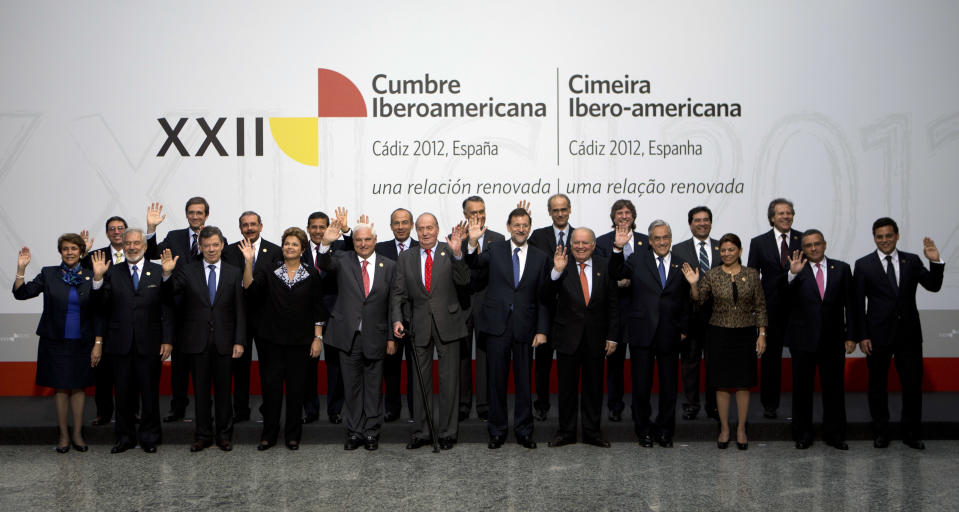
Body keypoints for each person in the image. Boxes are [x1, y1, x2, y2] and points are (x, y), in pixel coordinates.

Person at [853, 217, 944, 450]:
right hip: (876, 336)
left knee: (912, 387)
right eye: (880, 236)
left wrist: (935, 262)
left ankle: (911, 434)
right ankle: (881, 433)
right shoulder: (863, 264)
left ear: (897, 236)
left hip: (909, 336)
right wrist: (862, 335)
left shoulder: (912, 261)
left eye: (888, 235)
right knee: (877, 387)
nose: (884, 240)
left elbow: (933, 286)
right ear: (874, 238)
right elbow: (856, 304)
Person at [466, 207, 550, 449]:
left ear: (530, 228)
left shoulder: (540, 257)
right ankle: (497, 430)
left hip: (526, 328)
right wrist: (471, 243)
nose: (521, 229)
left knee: (524, 384)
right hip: (497, 327)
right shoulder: (495, 249)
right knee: (496, 382)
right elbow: (475, 263)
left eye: (525, 225)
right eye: (516, 225)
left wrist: (542, 330)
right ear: (508, 227)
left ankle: (524, 431)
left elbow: (543, 297)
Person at [160, 226, 246, 452]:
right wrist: (167, 275)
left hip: (225, 342)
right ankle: (203, 435)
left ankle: (224, 436)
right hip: (195, 342)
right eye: (206, 245)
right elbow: (170, 297)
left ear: (222, 245)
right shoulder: (187, 271)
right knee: (200, 393)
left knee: (224, 393)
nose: (211, 249)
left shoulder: (233, 271)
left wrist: (239, 340)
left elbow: (239, 310)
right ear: (199, 247)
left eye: (215, 245)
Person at [241, 227, 326, 450]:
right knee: (271, 390)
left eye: (295, 244)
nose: (290, 247)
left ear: (303, 249)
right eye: (287, 243)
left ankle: (292, 436)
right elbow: (250, 291)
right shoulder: (269, 270)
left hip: (301, 342)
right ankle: (268, 435)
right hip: (271, 342)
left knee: (297, 391)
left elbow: (318, 308)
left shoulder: (311, 273)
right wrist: (249, 263)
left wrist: (318, 338)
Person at [316, 218, 397, 451]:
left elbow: (393, 303)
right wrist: (325, 244)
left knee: (373, 388)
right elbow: (323, 263)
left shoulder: (389, 266)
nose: (363, 244)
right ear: (354, 242)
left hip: (377, 336)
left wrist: (391, 337)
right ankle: (354, 432)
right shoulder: (342, 259)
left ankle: (371, 432)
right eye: (358, 240)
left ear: (375, 241)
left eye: (367, 239)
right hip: (347, 337)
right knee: (351, 388)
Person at [90, 228, 173, 453]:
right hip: (119, 343)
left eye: (137, 243)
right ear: (123, 246)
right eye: (128, 244)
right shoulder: (110, 271)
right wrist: (97, 279)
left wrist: (167, 339)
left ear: (145, 247)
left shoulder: (159, 271)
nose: (133, 247)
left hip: (151, 343)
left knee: (149, 394)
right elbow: (101, 307)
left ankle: (149, 438)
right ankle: (124, 438)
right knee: (123, 394)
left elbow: (167, 307)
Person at [392, 214, 471, 450]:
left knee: (448, 383)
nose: (425, 233)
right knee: (419, 383)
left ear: (437, 229)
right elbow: (398, 293)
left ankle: (447, 433)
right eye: (421, 229)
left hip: (449, 324)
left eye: (430, 228)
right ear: (416, 231)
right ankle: (421, 432)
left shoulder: (451, 250)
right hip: (418, 326)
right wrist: (397, 320)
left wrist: (458, 255)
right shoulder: (406, 257)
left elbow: (464, 281)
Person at [13, 233, 97, 453]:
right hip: (55, 342)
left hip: (82, 342)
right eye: (66, 249)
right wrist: (21, 269)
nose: (70, 252)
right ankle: (63, 437)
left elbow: (99, 311)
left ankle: (78, 435)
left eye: (74, 249)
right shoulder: (49, 274)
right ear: (60, 252)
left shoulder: (90, 276)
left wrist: (98, 342)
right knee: (60, 388)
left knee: (79, 388)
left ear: (81, 252)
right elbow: (22, 294)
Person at [682, 233, 767, 450]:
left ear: (739, 251)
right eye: (723, 250)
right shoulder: (712, 274)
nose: (727, 253)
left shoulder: (752, 274)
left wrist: (762, 334)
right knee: (721, 384)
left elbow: (760, 306)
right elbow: (699, 300)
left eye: (731, 249)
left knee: (742, 384)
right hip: (718, 334)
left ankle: (740, 429)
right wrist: (693, 284)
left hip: (745, 333)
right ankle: (724, 428)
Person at [611, 220, 689, 448]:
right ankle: (643, 429)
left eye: (666, 237)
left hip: (670, 334)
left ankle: (665, 431)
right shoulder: (637, 260)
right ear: (650, 241)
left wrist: (684, 327)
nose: (662, 242)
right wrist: (617, 249)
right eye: (657, 238)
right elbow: (615, 273)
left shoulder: (680, 263)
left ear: (671, 238)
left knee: (668, 388)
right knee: (641, 387)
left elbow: (685, 300)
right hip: (642, 333)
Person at [145, 199, 223, 422]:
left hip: (206, 315)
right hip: (179, 314)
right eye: (191, 213)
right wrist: (151, 229)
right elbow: (151, 254)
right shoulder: (173, 237)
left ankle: (206, 411)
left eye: (199, 213)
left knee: (206, 369)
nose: (195, 216)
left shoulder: (216, 240)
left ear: (207, 215)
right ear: (186, 215)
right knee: (179, 367)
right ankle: (177, 408)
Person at [544, 228, 618, 448]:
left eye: (585, 243)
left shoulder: (605, 266)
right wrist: (556, 272)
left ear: (594, 245)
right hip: (567, 337)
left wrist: (613, 336)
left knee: (594, 389)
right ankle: (566, 432)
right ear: (570, 244)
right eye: (576, 242)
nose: (580, 247)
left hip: (596, 338)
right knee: (566, 389)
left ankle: (592, 432)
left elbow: (613, 304)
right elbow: (545, 296)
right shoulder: (560, 265)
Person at [785, 229, 855, 450]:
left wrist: (851, 335)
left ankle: (834, 434)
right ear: (802, 249)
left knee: (834, 389)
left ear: (824, 245)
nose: (813, 248)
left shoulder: (842, 269)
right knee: (802, 390)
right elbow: (782, 301)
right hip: (803, 341)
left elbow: (851, 306)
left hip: (833, 341)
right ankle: (803, 434)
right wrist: (792, 275)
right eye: (808, 245)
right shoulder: (796, 269)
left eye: (817, 244)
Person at [222, 211, 282, 423]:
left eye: (253, 224)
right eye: (245, 225)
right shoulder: (229, 251)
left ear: (261, 226)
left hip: (267, 317)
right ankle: (241, 410)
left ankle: (269, 410)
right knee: (239, 367)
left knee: (269, 367)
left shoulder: (275, 251)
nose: (249, 228)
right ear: (240, 228)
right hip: (238, 317)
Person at [594, 199, 649, 422]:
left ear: (634, 217)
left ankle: (639, 408)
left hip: (640, 311)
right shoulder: (601, 242)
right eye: (619, 213)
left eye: (628, 212)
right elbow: (599, 272)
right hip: (613, 311)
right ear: (613, 217)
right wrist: (615, 284)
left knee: (640, 365)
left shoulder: (647, 241)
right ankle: (615, 406)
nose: (624, 216)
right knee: (614, 364)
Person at [747, 198, 801, 419]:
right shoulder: (759, 242)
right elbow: (752, 276)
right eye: (781, 213)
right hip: (770, 310)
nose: (786, 216)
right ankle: (770, 405)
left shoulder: (803, 239)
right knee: (771, 360)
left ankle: (801, 406)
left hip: (799, 309)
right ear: (772, 217)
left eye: (789, 213)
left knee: (801, 360)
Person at [301, 208, 352, 425]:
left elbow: (355, 249)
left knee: (335, 365)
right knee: (306, 365)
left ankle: (335, 410)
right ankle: (310, 410)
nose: (319, 231)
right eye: (314, 227)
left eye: (323, 226)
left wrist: (346, 230)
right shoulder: (298, 250)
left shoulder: (340, 247)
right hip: (304, 315)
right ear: (308, 229)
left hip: (334, 314)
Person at [671, 206, 721, 421]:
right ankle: (691, 405)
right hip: (690, 317)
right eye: (697, 220)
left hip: (718, 317)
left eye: (706, 220)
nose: (702, 223)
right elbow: (676, 288)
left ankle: (714, 405)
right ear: (690, 224)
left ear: (711, 222)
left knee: (715, 362)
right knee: (689, 363)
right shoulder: (678, 250)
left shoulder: (723, 248)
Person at [458, 196, 505, 422]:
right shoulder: (456, 237)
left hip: (488, 303)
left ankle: (484, 405)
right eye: (473, 212)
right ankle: (463, 404)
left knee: (486, 356)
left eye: (482, 211)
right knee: (462, 356)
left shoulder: (498, 239)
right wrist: (469, 243)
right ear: (466, 216)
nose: (479, 215)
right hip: (463, 303)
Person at [527, 194, 573, 421]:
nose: (560, 213)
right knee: (543, 363)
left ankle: (568, 407)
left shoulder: (579, 236)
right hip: (545, 309)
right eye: (555, 210)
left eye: (563, 209)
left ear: (570, 210)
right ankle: (542, 405)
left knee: (569, 364)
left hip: (572, 313)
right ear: (549, 212)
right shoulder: (538, 236)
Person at [80, 215, 128, 427]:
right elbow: (80, 275)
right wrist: (83, 253)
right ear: (107, 233)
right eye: (112, 229)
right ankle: (104, 413)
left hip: (128, 321)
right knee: (103, 371)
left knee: (129, 372)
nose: (116, 232)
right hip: (102, 321)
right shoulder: (95, 256)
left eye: (120, 228)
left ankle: (131, 411)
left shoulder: (136, 252)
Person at [375, 207, 418, 422]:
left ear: (411, 225)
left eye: (404, 222)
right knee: (390, 367)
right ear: (391, 226)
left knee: (416, 369)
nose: (400, 227)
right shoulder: (379, 249)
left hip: (417, 318)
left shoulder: (422, 247)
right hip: (389, 317)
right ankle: (392, 409)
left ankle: (414, 410)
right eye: (396, 223)